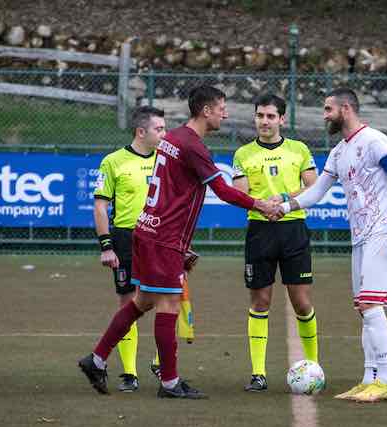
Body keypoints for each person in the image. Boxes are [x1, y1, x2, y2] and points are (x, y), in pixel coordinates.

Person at [79, 85, 277, 400]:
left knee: (142, 301)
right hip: (162, 238)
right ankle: (170, 382)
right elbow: (224, 191)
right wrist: (262, 205)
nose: (225, 113)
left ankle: (97, 359)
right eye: (221, 107)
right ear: (206, 110)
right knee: (168, 304)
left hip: (148, 230)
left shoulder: (173, 138)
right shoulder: (192, 146)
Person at [275, 88, 387, 403]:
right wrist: (284, 207)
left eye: (328, 109)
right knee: (365, 310)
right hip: (361, 237)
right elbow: (317, 191)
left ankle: (386, 380)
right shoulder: (339, 151)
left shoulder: (375, 141)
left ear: (346, 109)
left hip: (384, 233)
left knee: (372, 306)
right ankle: (368, 378)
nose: (324, 115)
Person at [232, 94, 319, 392]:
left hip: (293, 228)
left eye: (270, 116)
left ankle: (313, 367)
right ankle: (258, 373)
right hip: (260, 230)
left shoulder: (299, 149)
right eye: (260, 116)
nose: (265, 121)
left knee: (302, 303)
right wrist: (263, 206)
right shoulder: (243, 153)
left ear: (282, 119)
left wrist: (282, 200)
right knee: (260, 301)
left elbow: (312, 185)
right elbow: (240, 193)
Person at [93, 106, 166, 392]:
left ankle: (162, 363)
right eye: (159, 129)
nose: (164, 134)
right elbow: (101, 205)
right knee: (128, 304)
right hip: (126, 240)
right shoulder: (113, 161)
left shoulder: (166, 160)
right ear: (141, 131)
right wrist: (106, 246)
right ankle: (129, 374)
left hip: (160, 239)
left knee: (167, 302)